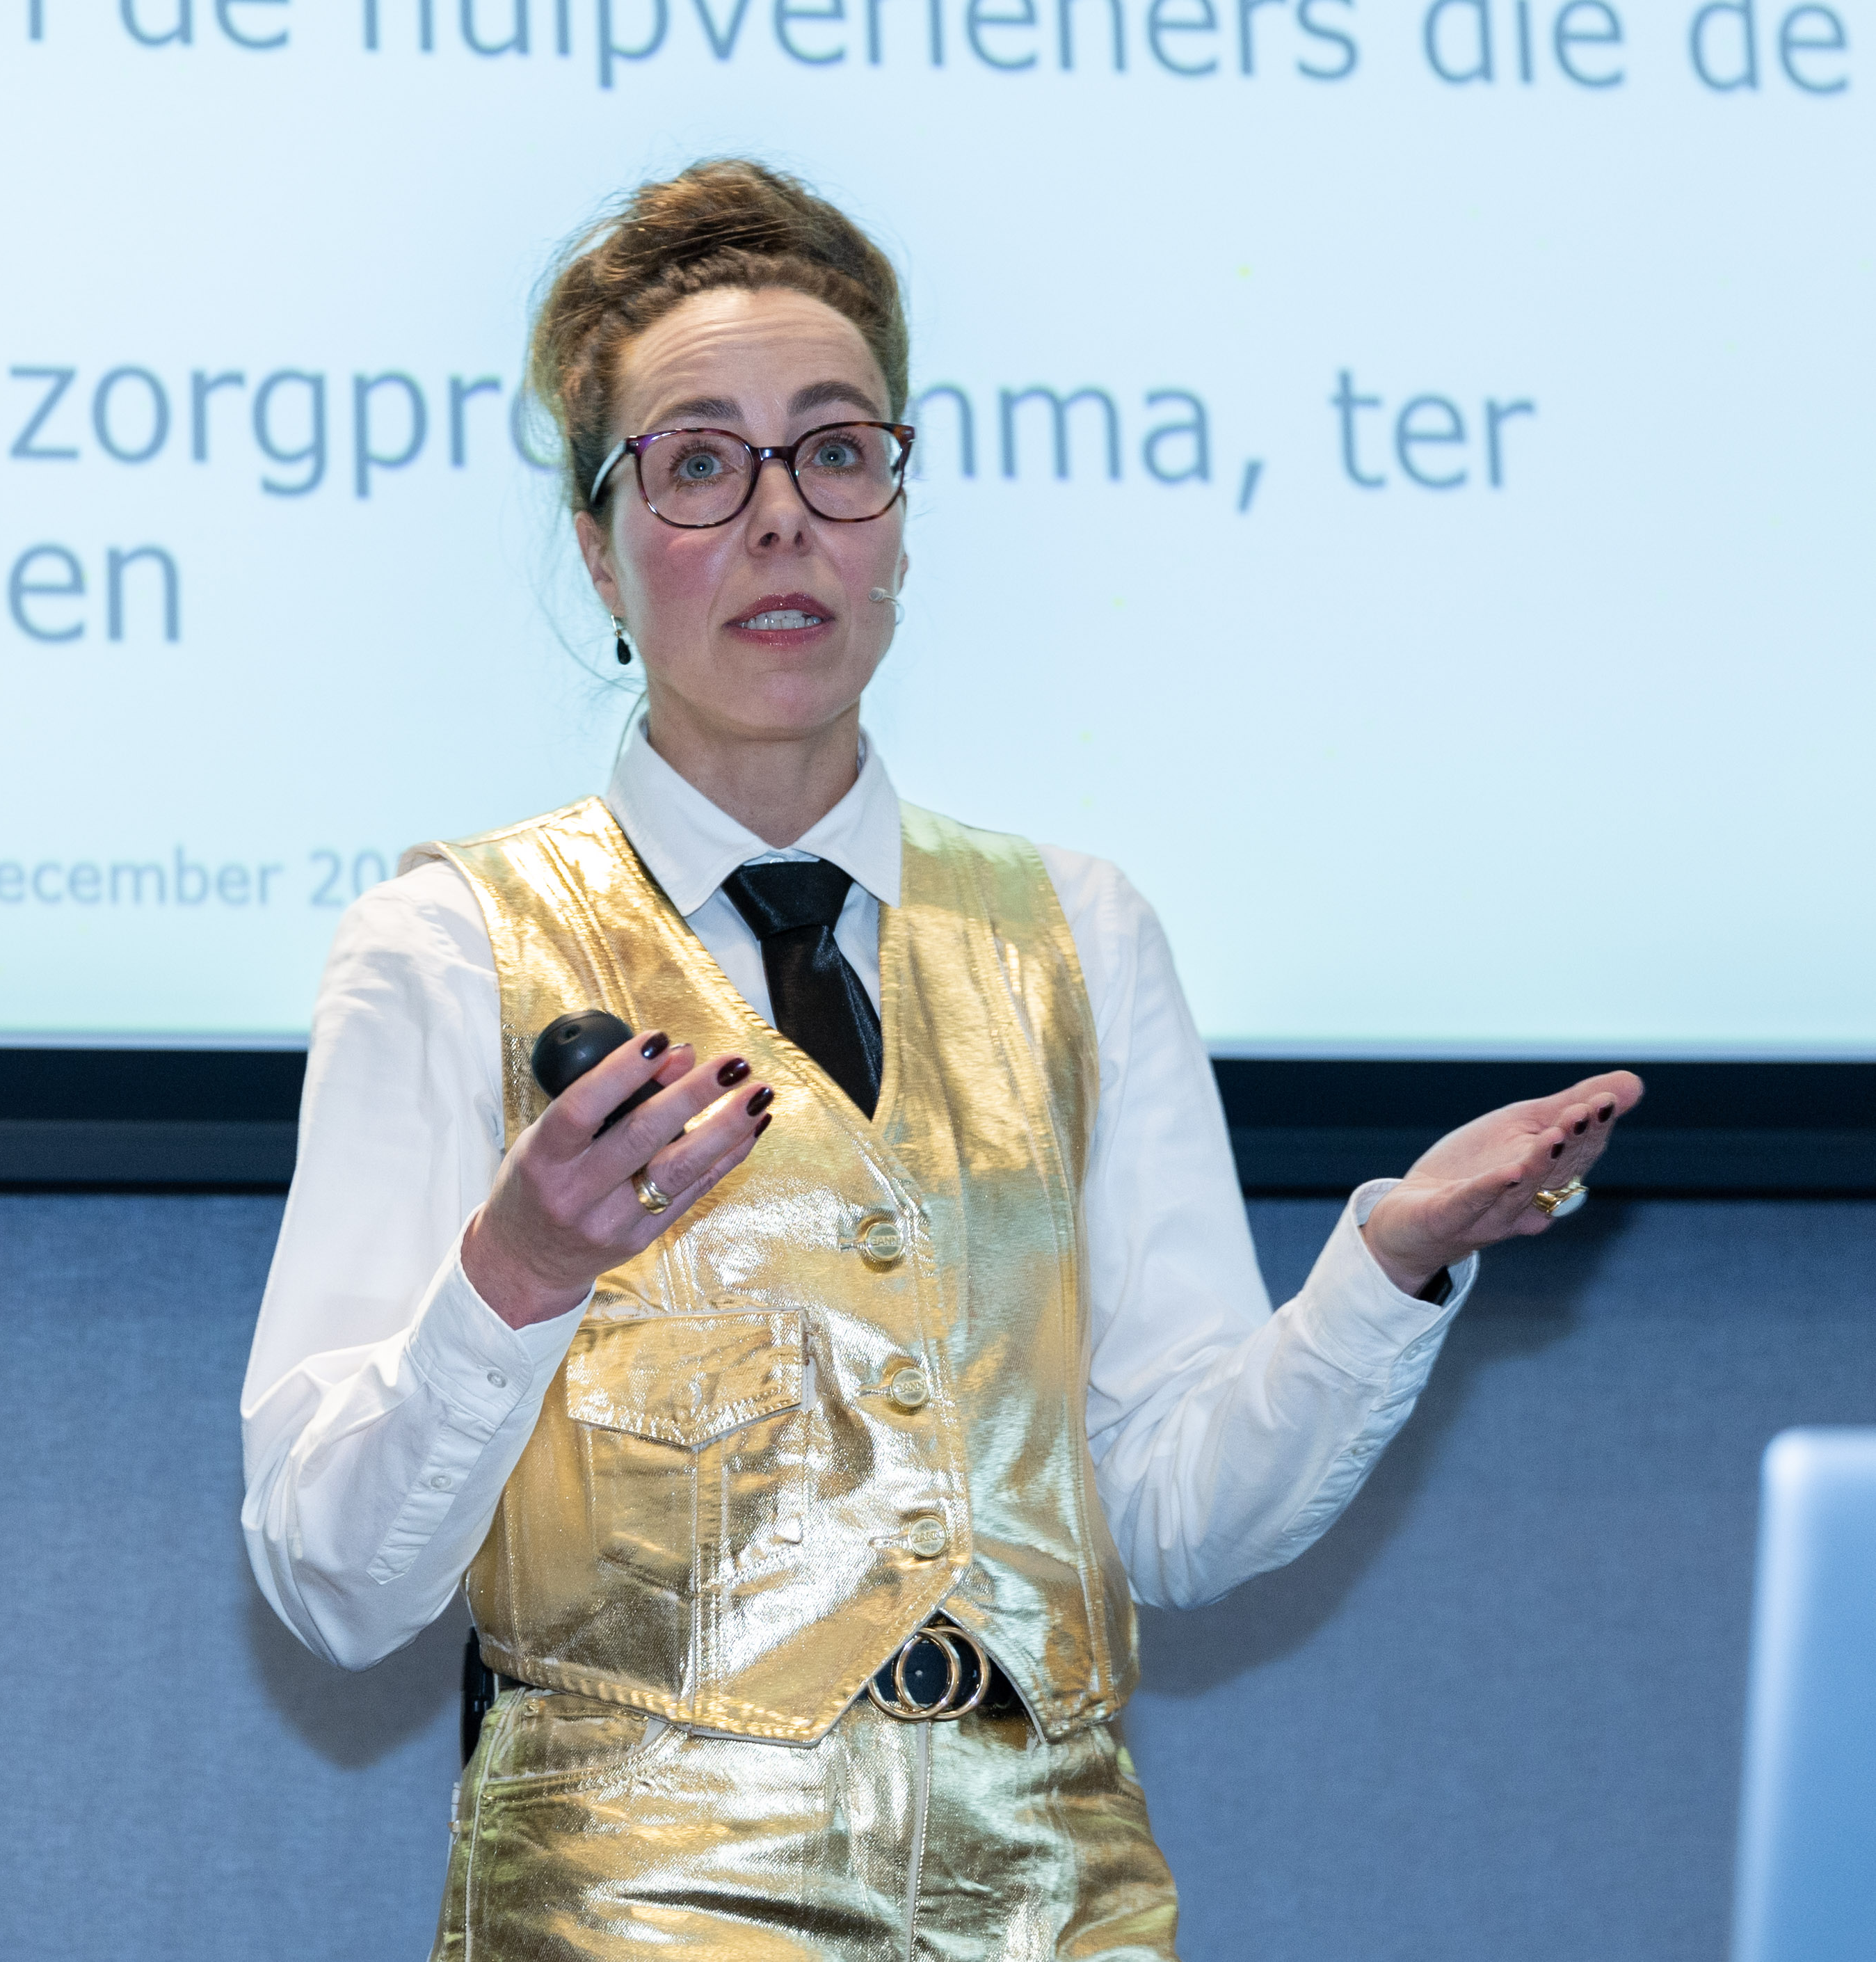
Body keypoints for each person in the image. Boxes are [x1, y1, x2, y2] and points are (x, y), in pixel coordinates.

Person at [241, 158, 1642, 1960]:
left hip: (1056, 1894)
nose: (782, 520)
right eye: (698, 464)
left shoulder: (1079, 932)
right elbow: (334, 1578)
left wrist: (1388, 1267)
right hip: (633, 1906)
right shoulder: (448, 949)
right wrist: (513, 1272)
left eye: (837, 453)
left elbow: (1176, 1518)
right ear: (599, 547)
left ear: (898, 521)